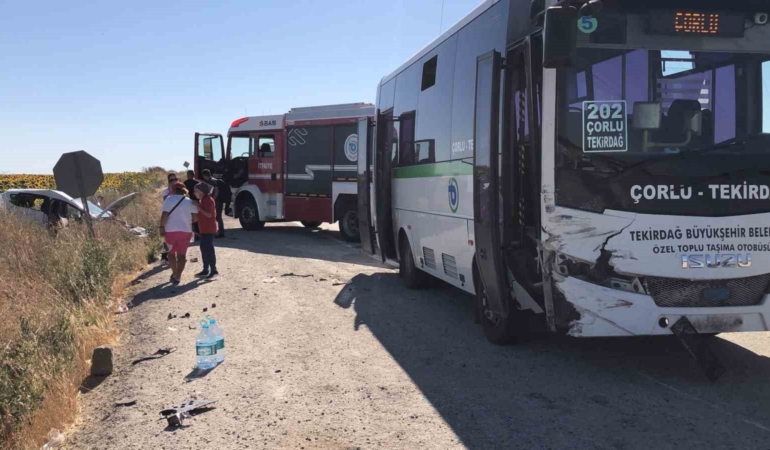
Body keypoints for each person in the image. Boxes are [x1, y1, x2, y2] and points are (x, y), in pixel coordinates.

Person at [160, 182, 197, 284]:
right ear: (184, 189)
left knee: (171, 254)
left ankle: (174, 272)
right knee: (182, 255)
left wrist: (161, 227)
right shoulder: (190, 201)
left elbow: (164, 215)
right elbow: (195, 218)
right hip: (186, 230)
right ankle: (178, 276)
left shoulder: (169, 199)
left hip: (170, 230)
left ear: (173, 189)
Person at [193, 183, 218, 279]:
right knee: (204, 249)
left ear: (201, 192)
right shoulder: (203, 200)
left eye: (196, 191)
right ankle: (205, 269)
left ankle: (213, 270)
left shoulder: (208, 200)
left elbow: (209, 214)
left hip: (209, 229)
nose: (194, 193)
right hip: (204, 229)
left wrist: (198, 206)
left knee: (208, 250)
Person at [200, 169, 227, 238]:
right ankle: (220, 232)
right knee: (218, 217)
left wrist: (213, 199)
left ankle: (221, 233)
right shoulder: (213, 180)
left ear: (204, 175)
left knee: (218, 217)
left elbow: (216, 190)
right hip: (219, 201)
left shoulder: (212, 181)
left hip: (217, 201)